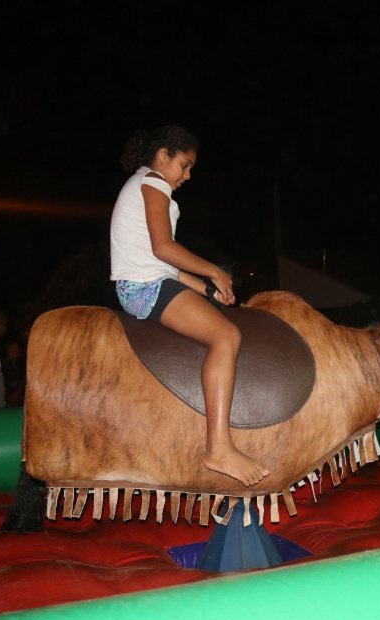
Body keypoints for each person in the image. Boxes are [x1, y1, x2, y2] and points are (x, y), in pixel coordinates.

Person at [109, 125, 268, 487]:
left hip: (151, 280)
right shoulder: (154, 183)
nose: (187, 175)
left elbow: (164, 264)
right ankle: (219, 448)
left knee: (219, 321)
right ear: (162, 154)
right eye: (184, 164)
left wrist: (208, 289)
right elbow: (163, 248)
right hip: (144, 287)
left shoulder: (143, 183)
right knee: (226, 336)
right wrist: (213, 269)